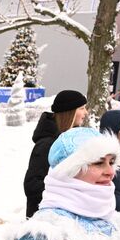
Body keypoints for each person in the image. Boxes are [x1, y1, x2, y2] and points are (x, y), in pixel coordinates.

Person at [23, 89, 87, 217]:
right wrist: (64, 192)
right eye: (82, 108)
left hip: (68, 212)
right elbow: (32, 185)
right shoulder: (47, 144)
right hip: (47, 217)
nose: (86, 112)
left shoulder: (73, 139)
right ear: (70, 112)